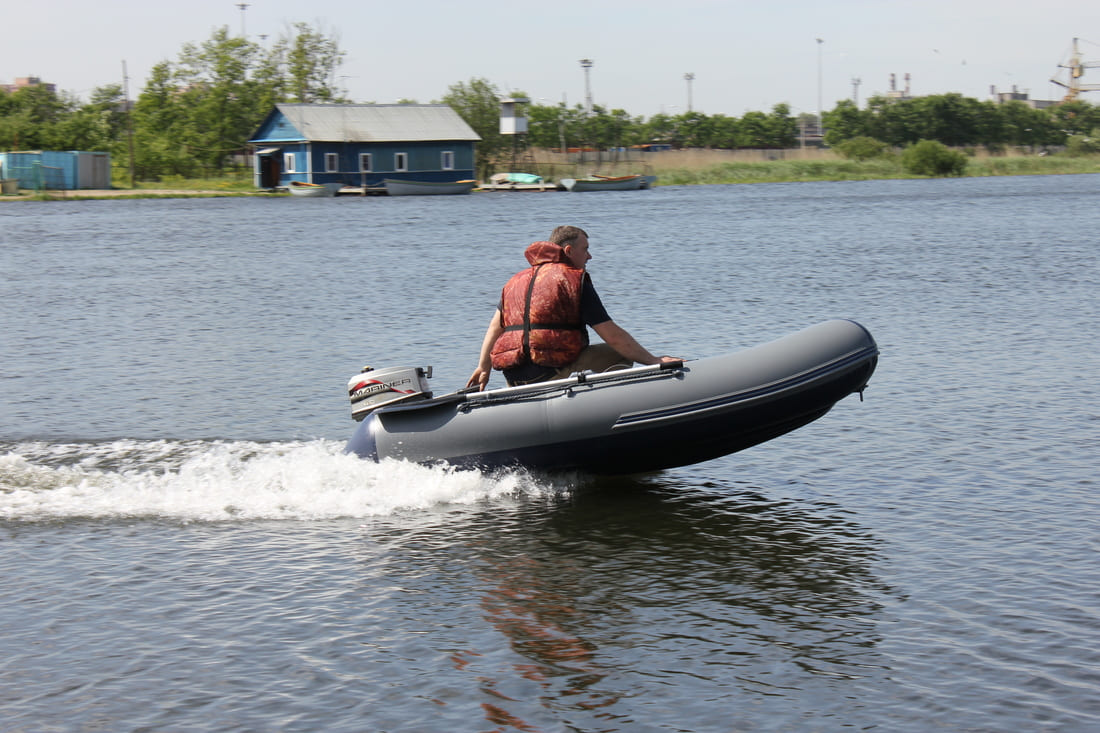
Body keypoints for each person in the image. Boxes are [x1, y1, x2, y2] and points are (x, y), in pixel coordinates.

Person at [467, 225, 678, 391]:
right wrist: (653, 361)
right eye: (585, 249)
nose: (589, 256)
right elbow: (612, 336)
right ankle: (594, 407)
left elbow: (495, 328)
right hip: (548, 372)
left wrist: (483, 367)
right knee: (622, 354)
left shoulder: (514, 281)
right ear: (568, 251)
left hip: (514, 376)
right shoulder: (573, 281)